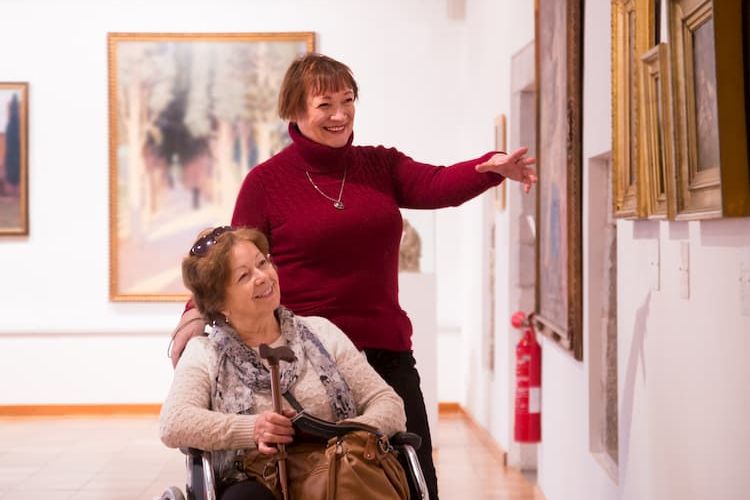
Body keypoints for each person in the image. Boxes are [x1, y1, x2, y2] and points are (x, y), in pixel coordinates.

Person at [169, 53, 537, 499]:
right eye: (325, 104)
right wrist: (196, 315)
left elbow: (436, 183)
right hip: (303, 357)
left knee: (413, 480)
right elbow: (234, 262)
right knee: (311, 482)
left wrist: (488, 169)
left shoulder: (378, 166)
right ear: (295, 110)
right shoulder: (266, 182)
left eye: (348, 100)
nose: (340, 114)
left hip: (384, 350)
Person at [160, 226, 407, 499]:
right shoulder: (205, 353)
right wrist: (253, 429)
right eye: (244, 276)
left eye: (262, 263)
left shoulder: (321, 332)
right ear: (219, 303)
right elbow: (173, 423)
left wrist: (353, 437)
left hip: (340, 471)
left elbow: (388, 403)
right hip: (254, 480)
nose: (262, 277)